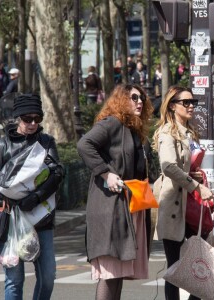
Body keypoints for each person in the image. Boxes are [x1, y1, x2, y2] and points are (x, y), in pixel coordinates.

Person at [77, 83, 154, 300]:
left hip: (129, 206)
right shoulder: (112, 123)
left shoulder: (132, 128)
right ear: (121, 100)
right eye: (134, 98)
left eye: (142, 99)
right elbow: (85, 145)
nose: (140, 102)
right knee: (110, 272)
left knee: (118, 272)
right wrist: (106, 173)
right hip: (111, 208)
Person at [0, 94, 64, 300]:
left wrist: (35, 198)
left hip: (40, 218)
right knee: (14, 280)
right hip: (9, 221)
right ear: (18, 118)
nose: (33, 123)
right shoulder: (3, 144)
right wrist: (8, 202)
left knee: (48, 277)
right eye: (28, 119)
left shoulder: (46, 142)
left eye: (37, 119)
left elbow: (57, 173)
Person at [152, 86, 214, 300]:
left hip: (193, 207)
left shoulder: (190, 130)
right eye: (185, 102)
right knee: (175, 268)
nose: (191, 106)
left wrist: (195, 176)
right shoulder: (168, 132)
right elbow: (168, 166)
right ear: (172, 105)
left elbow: (184, 165)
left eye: (193, 103)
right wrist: (196, 185)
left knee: (199, 264)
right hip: (175, 207)